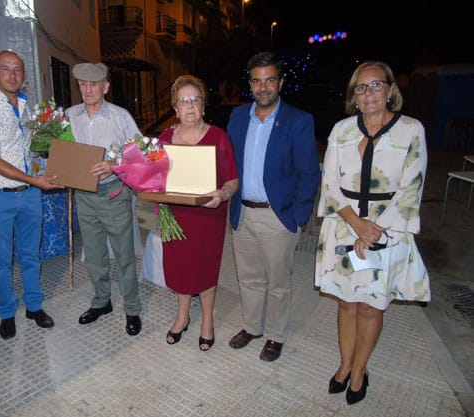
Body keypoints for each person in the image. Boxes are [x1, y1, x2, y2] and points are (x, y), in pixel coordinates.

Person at [315, 61, 431, 405]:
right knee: (346, 303)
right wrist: (356, 224)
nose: (368, 94)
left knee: (370, 307)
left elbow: (412, 188)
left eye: (375, 85)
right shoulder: (342, 130)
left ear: (391, 90)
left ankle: (360, 370)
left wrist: (372, 230)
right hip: (344, 225)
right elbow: (330, 182)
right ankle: (344, 364)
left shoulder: (411, 130)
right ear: (353, 95)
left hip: (387, 230)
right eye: (360, 88)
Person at [227, 52, 320, 362]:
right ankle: (252, 327)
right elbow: (227, 163)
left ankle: (276, 335)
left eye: (269, 80)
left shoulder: (298, 120)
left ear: (280, 82)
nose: (263, 86)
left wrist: (297, 217)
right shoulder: (239, 117)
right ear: (250, 84)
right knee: (248, 278)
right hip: (243, 213)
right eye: (257, 80)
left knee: (278, 283)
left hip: (277, 217)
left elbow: (309, 174)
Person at [0, 50, 63, 340]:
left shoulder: (24, 106)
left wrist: (57, 150)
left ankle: (34, 306)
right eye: (6, 69)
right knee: (1, 259)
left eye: (18, 70)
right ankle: (7, 313)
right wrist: (33, 179)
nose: (13, 75)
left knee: (32, 254)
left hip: (29, 193)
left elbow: (32, 149)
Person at [161, 75, 238, 351]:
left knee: (204, 268)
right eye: (183, 101)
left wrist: (223, 194)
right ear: (175, 108)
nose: (189, 105)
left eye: (195, 99)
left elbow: (232, 180)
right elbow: (155, 177)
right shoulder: (166, 138)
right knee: (181, 268)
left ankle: (207, 319)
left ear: (203, 105)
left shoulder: (218, 137)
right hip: (175, 218)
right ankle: (182, 316)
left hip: (208, 216)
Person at [66, 62, 143, 336]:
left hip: (113, 194)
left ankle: (132, 309)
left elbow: (140, 152)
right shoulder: (70, 116)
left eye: (94, 84)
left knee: (124, 256)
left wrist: (114, 164)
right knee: (95, 256)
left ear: (105, 87)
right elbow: (63, 152)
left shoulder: (120, 117)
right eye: (83, 85)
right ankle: (102, 301)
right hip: (84, 196)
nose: (88, 89)